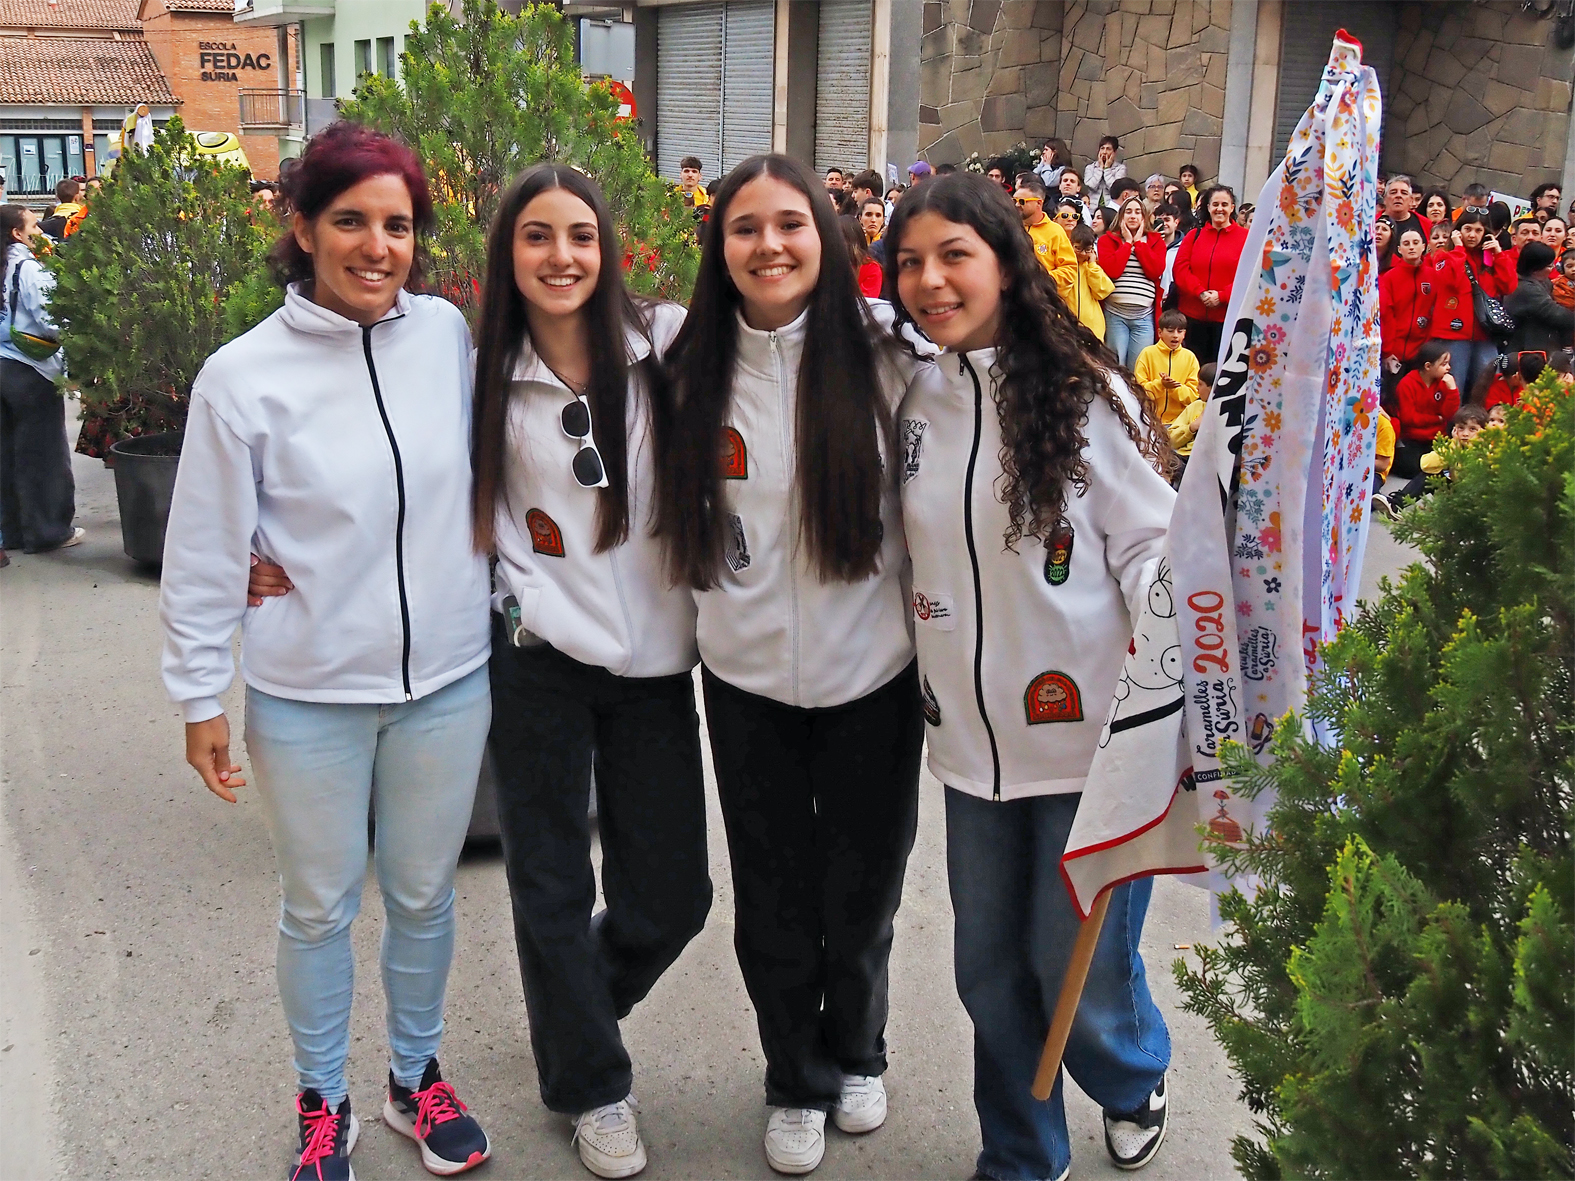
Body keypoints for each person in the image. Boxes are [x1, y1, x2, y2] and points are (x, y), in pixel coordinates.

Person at [161, 123, 494, 1181]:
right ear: (301, 227)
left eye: (397, 224)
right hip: (308, 695)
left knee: (426, 894)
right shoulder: (241, 376)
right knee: (317, 905)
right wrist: (199, 695)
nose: (376, 245)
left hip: (447, 680)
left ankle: (412, 1074)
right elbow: (207, 549)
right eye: (350, 220)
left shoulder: (446, 335)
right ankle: (322, 1096)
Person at [884, 170, 1175, 1181]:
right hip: (969, 749)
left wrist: (1169, 659)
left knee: (1078, 981)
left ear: (1006, 262)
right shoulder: (914, 395)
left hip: (1094, 749)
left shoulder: (1089, 395)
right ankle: (1020, 1151)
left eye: (953, 254)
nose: (930, 278)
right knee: (989, 973)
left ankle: (1135, 1074)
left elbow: (1152, 547)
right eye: (911, 260)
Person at [656, 153, 927, 1176]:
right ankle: (793, 1073)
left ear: (826, 233)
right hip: (744, 678)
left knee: (863, 884)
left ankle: (858, 1046)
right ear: (719, 248)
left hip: (875, 676)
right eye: (744, 229)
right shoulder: (684, 367)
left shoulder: (895, 352)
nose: (769, 245)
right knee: (771, 892)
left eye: (789, 224)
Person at [465, 163, 710, 1181]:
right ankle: (591, 1083)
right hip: (536, 663)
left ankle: (570, 1009)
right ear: (508, 254)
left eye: (578, 235)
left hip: (657, 663)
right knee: (551, 881)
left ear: (606, 248)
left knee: (673, 895)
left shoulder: (665, 344)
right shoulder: (477, 368)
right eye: (536, 236)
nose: (559, 256)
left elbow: (801, 357)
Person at [0, 204, 81, 562]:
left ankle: (13, 530)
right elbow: (53, 320)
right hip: (30, 369)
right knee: (42, 455)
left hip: (2, 367)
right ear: (17, 234)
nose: (41, 231)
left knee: (6, 454)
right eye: (33, 225)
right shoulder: (29, 269)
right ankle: (48, 532)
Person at [1171, 183, 1247, 365]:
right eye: (1215, 204)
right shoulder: (1194, 236)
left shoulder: (1245, 238)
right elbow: (1180, 269)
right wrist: (1200, 292)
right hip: (1192, 316)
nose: (1219, 209)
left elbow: (1248, 276)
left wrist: (1222, 296)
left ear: (1232, 208)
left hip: (1226, 318)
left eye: (1224, 204)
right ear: (1208, 207)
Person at [1097, 195, 1165, 368]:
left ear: (1144, 217)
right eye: (1128, 212)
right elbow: (1112, 271)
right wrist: (1127, 243)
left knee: (1139, 367)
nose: (1133, 216)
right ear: (1121, 216)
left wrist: (1140, 244)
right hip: (1115, 314)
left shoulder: (1156, 241)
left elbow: (1155, 271)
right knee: (1115, 365)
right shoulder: (1107, 240)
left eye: (1137, 212)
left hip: (1144, 316)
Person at [1445, 209, 1508, 392]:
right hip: (1455, 335)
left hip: (1485, 333)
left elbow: (1508, 286)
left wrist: (1499, 254)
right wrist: (1458, 249)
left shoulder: (1489, 258)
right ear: (1458, 231)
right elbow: (1453, 282)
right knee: (1455, 387)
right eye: (1467, 229)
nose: (1472, 235)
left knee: (1486, 387)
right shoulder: (1446, 255)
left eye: (1478, 230)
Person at [1379, 225, 1435, 411]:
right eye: (1406, 243)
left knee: (1415, 399)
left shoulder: (1433, 276)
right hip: (1395, 351)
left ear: (1424, 247)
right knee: (1391, 398)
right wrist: (1387, 350)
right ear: (1399, 249)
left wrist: (1428, 348)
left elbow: (1434, 312)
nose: (1411, 247)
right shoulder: (1389, 278)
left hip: (1421, 352)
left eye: (1415, 243)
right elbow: (1387, 315)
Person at [1392, 340, 1459, 477]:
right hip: (1413, 439)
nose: (1448, 368)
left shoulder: (1444, 382)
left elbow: (1449, 414)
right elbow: (1409, 418)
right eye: (1443, 364)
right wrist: (1436, 418)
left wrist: (1453, 390)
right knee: (1411, 468)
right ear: (1428, 366)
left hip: (1438, 437)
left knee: (1451, 462)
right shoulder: (1407, 384)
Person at [1504, 241, 1574, 356]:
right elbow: (1557, 314)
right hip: (1527, 350)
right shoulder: (1525, 288)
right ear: (1536, 268)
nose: (1552, 269)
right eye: (1549, 266)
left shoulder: (1542, 281)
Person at [1133, 308, 1200, 426]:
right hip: (1149, 420)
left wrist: (1174, 388)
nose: (1175, 336)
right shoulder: (1147, 354)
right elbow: (1138, 391)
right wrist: (1161, 385)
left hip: (1179, 422)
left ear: (1184, 334)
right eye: (1170, 331)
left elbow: (1194, 395)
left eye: (1180, 331)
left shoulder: (1190, 358)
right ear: (1160, 333)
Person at [1014, 176, 1077, 291]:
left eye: (1022, 201)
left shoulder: (1055, 232)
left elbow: (1070, 271)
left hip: (1042, 301)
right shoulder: (1011, 228)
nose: (1017, 205)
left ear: (1039, 203)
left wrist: (1040, 279)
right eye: (1015, 201)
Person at [1061, 223, 1113, 336]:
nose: (1083, 254)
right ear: (1070, 244)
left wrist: (1092, 265)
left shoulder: (1093, 266)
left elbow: (1103, 291)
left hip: (1092, 328)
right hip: (1067, 326)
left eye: (1087, 250)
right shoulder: (1064, 265)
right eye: (1078, 249)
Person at [1168, 358, 1213, 487]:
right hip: (1182, 458)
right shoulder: (1195, 406)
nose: (1196, 388)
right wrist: (1192, 428)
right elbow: (1171, 440)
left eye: (1200, 384)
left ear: (1211, 388)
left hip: (1203, 461)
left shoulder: (1224, 412)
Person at [843, 214, 885, 298]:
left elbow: (865, 303)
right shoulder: (825, 264)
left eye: (878, 215)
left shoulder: (871, 268)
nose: (873, 220)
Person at [1083, 136, 1126, 210]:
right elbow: (1091, 185)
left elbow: (1115, 188)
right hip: (1092, 209)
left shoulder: (1120, 168)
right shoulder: (1090, 168)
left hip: (1111, 209)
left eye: (1108, 149)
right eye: (1102, 148)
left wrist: (1106, 169)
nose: (1104, 152)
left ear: (1114, 152)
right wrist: (1100, 168)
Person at [860, 195, 887, 264]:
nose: (873, 220)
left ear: (883, 220)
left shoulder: (889, 245)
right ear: (860, 218)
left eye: (878, 215)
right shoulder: (853, 242)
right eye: (868, 215)